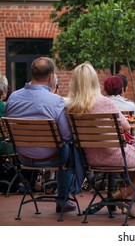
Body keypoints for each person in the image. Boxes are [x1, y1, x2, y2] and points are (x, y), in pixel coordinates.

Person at [66, 62, 135, 218]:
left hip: (90, 159)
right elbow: (127, 126)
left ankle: (128, 198)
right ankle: (124, 193)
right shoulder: (105, 102)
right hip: (117, 157)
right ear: (95, 81)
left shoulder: (70, 107)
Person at [4, 57, 76, 212]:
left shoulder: (13, 98)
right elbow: (67, 136)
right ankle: (63, 198)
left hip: (22, 157)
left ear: (32, 74)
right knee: (71, 147)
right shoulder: (56, 101)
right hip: (51, 158)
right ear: (51, 77)